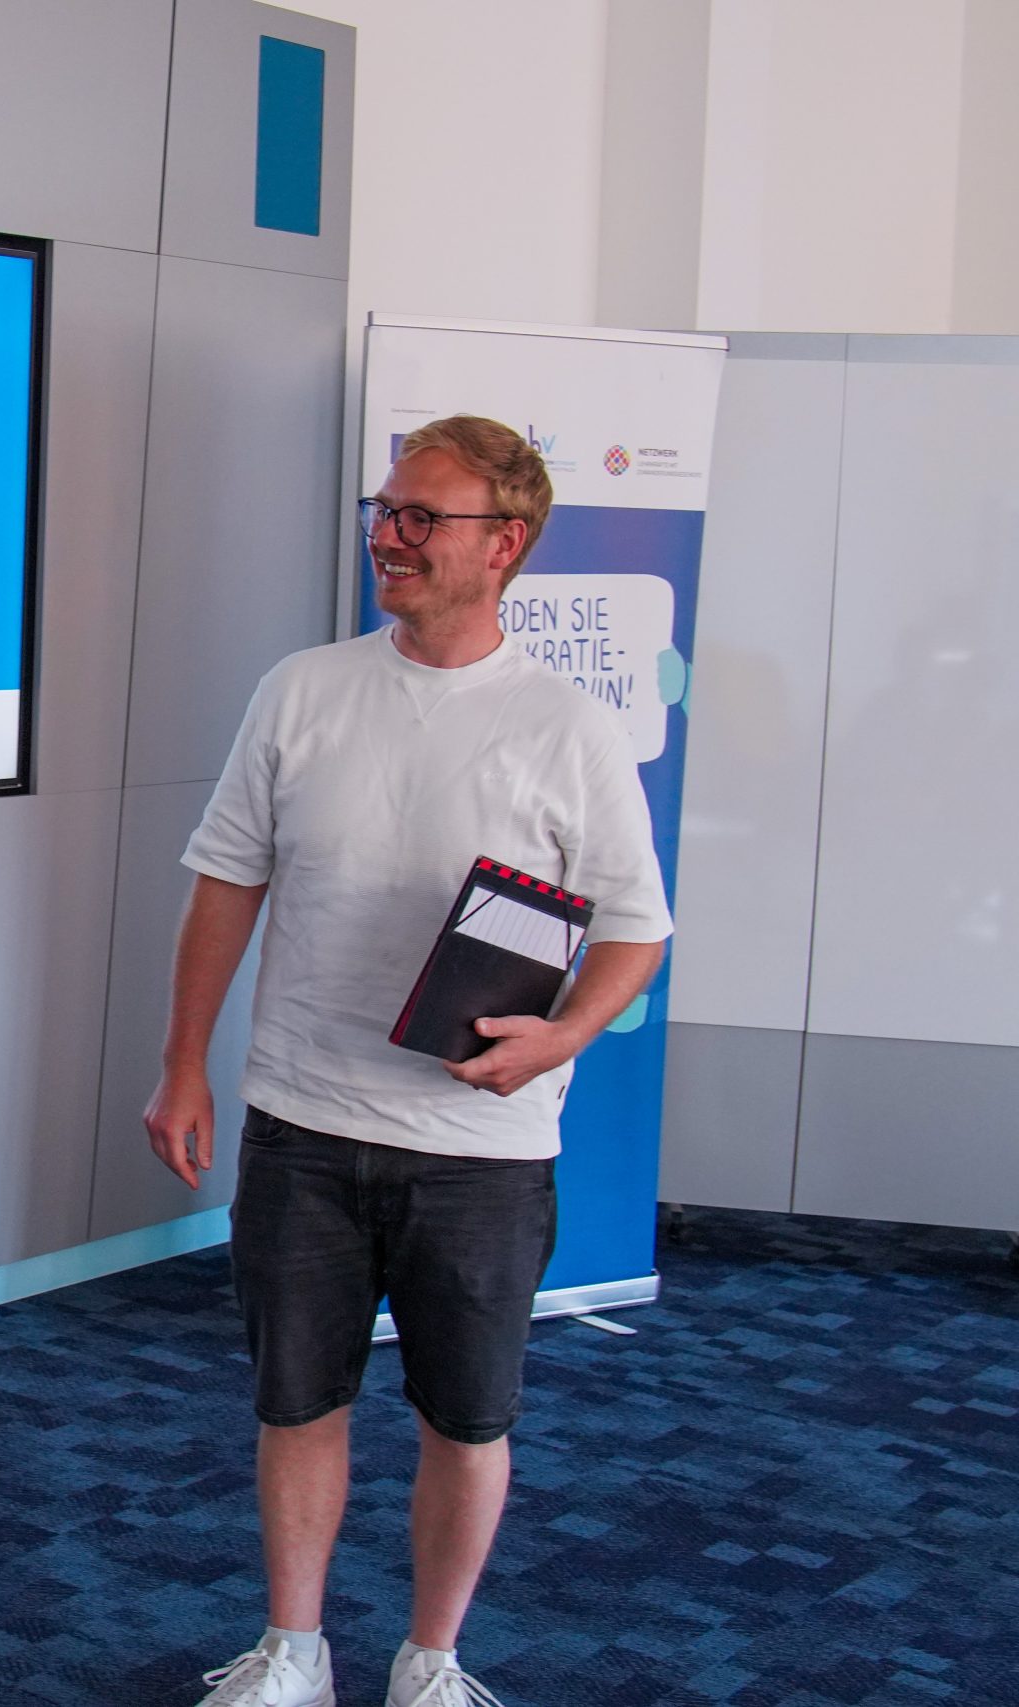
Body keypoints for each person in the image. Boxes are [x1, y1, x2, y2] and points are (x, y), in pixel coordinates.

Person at [144, 415, 671, 1707]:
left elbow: (635, 927)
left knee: (467, 1418)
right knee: (295, 1402)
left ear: (507, 544)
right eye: (387, 509)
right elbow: (226, 881)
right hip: (302, 1122)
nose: (391, 534)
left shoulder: (570, 727)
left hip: (480, 1148)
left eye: (424, 517)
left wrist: (565, 1033)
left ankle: (431, 1659)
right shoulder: (301, 688)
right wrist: (184, 1063)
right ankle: (294, 1649)